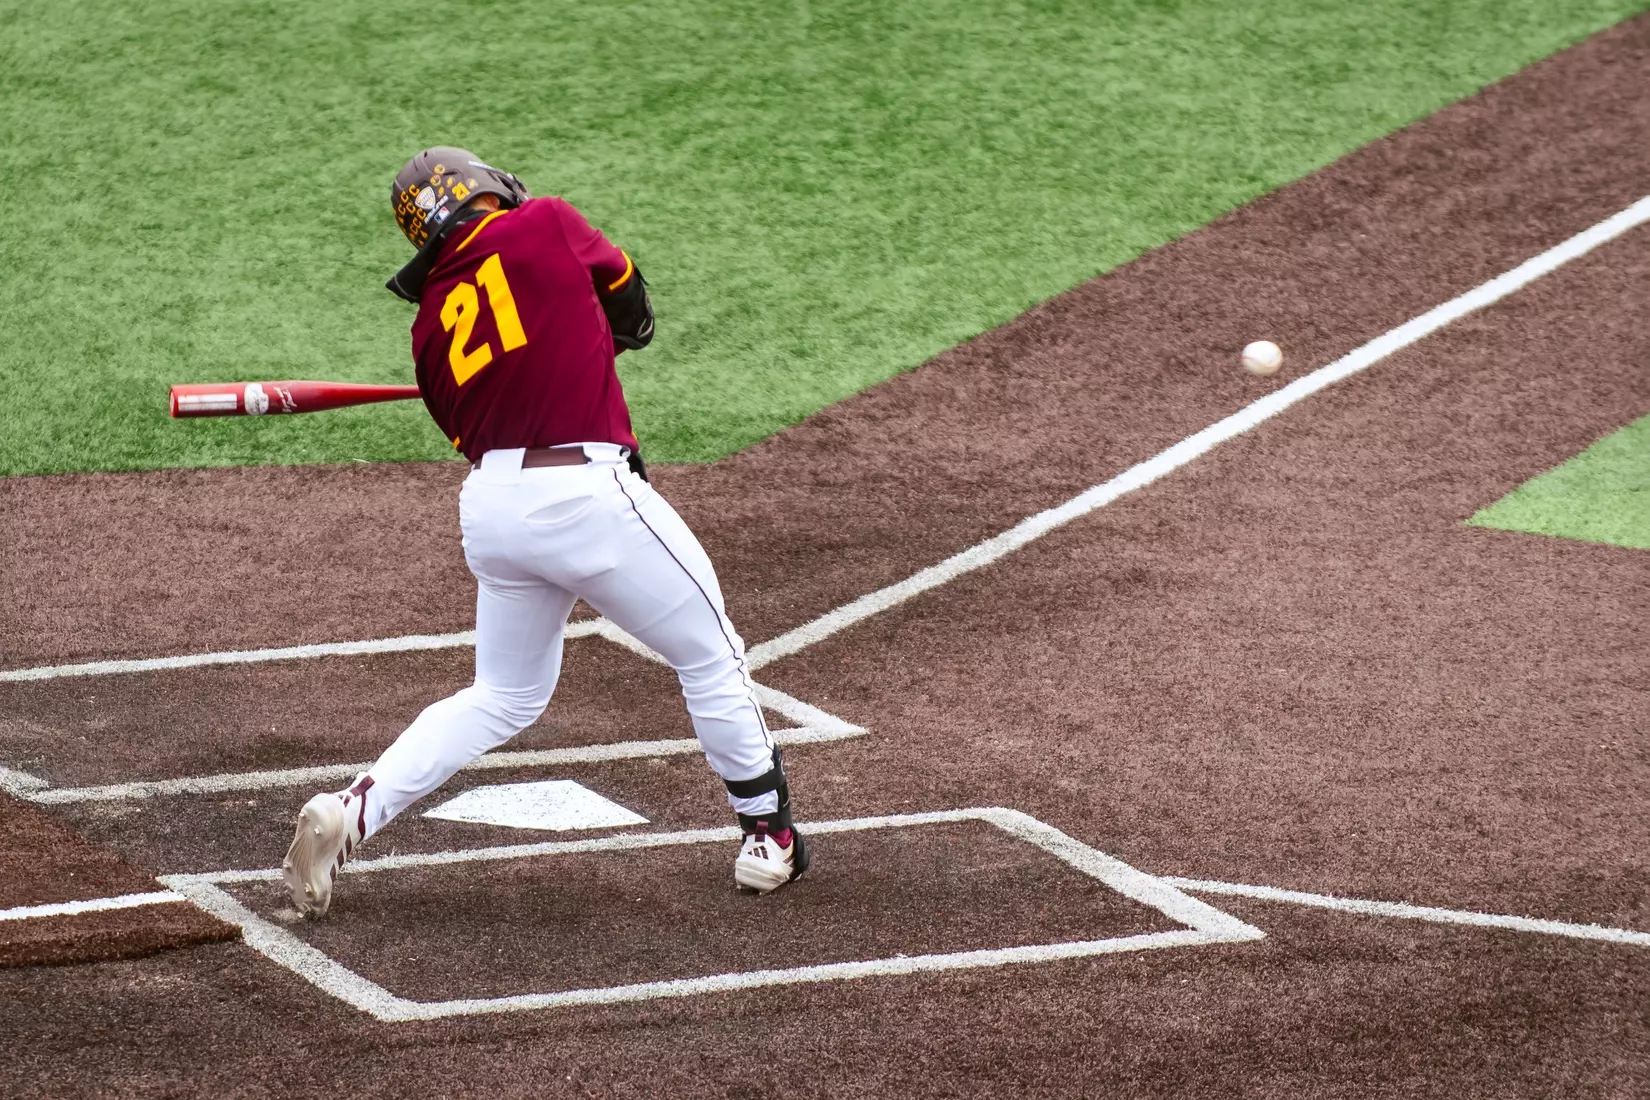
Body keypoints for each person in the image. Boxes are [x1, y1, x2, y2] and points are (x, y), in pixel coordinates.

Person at [281, 147, 806, 917]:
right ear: (485, 188)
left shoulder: (429, 332)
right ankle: (769, 834)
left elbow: (477, 426)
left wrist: (573, 345)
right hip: (585, 494)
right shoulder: (544, 224)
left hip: (495, 513)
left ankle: (351, 811)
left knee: (504, 694)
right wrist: (603, 333)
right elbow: (627, 299)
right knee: (710, 654)